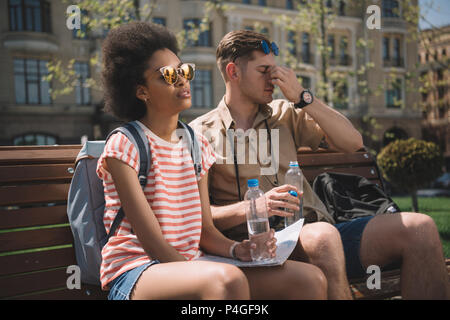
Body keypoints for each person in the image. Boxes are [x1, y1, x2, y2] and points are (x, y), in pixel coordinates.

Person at [190, 29, 449, 300]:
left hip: (323, 230)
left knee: (421, 228)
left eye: (275, 70)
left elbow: (352, 143)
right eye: (264, 70)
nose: (274, 79)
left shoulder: (285, 114)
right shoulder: (200, 133)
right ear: (234, 72)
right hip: (259, 246)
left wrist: (303, 96)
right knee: (323, 237)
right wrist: (253, 207)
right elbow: (198, 217)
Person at [97, 22, 327, 300]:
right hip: (136, 271)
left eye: (185, 70)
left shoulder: (196, 144)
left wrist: (236, 250)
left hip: (194, 265)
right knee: (226, 281)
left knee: (308, 280)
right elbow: (153, 243)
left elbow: (204, 230)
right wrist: (206, 271)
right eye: (168, 75)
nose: (182, 80)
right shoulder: (126, 144)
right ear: (141, 91)